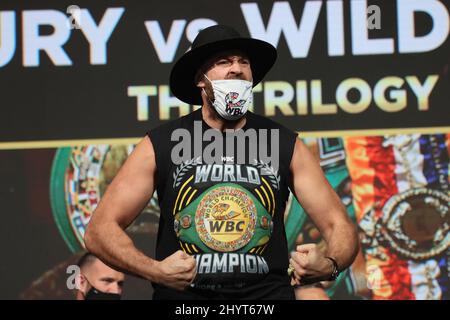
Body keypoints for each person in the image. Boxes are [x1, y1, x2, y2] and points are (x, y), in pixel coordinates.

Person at [84, 25, 358, 299]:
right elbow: (99, 230)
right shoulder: (162, 143)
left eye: (244, 62)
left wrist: (329, 264)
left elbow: (339, 225)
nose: (237, 69)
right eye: (224, 62)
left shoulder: (283, 142)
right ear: (200, 79)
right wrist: (154, 270)